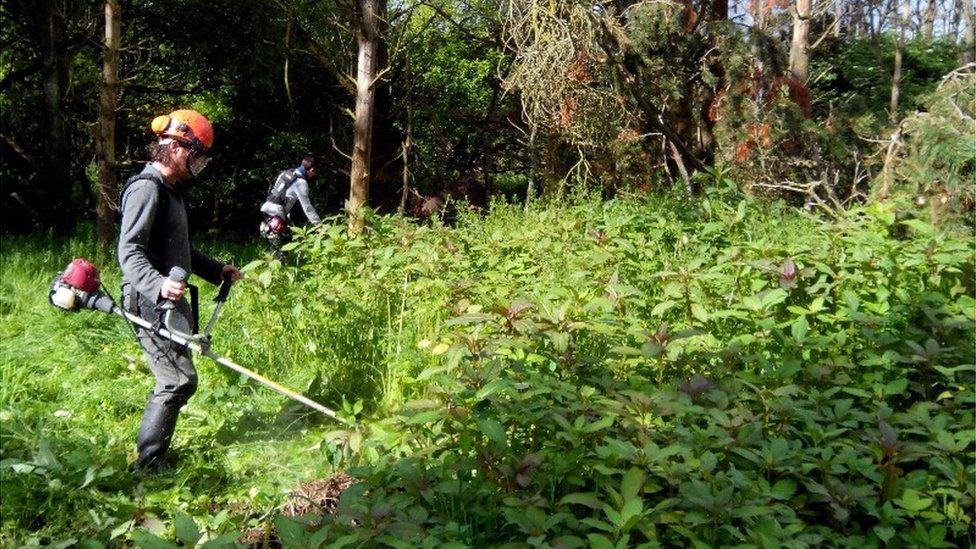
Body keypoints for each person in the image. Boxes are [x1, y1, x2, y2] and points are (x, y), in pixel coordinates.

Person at [118, 109, 242, 470]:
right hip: (149, 300)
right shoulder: (146, 189)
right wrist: (158, 286)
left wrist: (217, 270)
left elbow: (180, 249)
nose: (199, 164)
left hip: (167, 300)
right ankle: (148, 464)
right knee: (176, 379)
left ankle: (152, 457)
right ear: (175, 146)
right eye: (197, 155)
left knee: (179, 378)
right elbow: (130, 250)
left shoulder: (170, 192)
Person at [259, 155, 322, 254]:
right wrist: (319, 226)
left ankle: (268, 263)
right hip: (277, 215)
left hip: (267, 209)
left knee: (278, 245)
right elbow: (307, 208)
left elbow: (278, 193)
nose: (313, 175)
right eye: (315, 172)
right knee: (280, 250)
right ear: (312, 169)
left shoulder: (286, 173)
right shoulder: (301, 183)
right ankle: (273, 265)